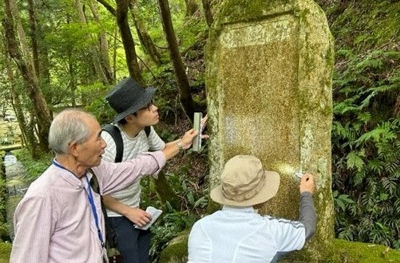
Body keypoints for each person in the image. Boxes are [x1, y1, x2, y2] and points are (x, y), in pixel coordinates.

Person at [10, 108, 198, 263]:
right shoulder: (43, 197)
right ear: (75, 148)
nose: (104, 145)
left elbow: (136, 167)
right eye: (98, 138)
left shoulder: (92, 174)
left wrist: (181, 144)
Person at [101, 77, 207, 263]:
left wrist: (188, 137)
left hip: (135, 209)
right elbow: (97, 187)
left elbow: (163, 150)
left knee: (143, 256)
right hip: (115, 215)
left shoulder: (145, 130)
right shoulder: (108, 141)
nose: (155, 108)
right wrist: (128, 211)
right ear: (130, 117)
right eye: (147, 107)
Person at [188, 155, 316, 263]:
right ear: (259, 195)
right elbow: (307, 228)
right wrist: (306, 193)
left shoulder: (200, 227)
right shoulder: (269, 231)